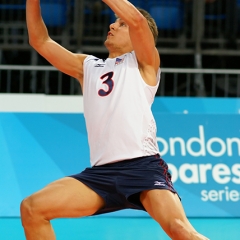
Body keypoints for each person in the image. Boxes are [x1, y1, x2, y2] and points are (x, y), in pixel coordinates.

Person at [21, 1, 209, 239]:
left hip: (142, 168)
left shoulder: (144, 62)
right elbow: (40, 40)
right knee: (32, 208)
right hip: (100, 176)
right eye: (114, 21)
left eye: (120, 23)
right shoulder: (87, 66)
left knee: (180, 230)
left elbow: (138, 21)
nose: (112, 24)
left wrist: (127, 18)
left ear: (138, 37)